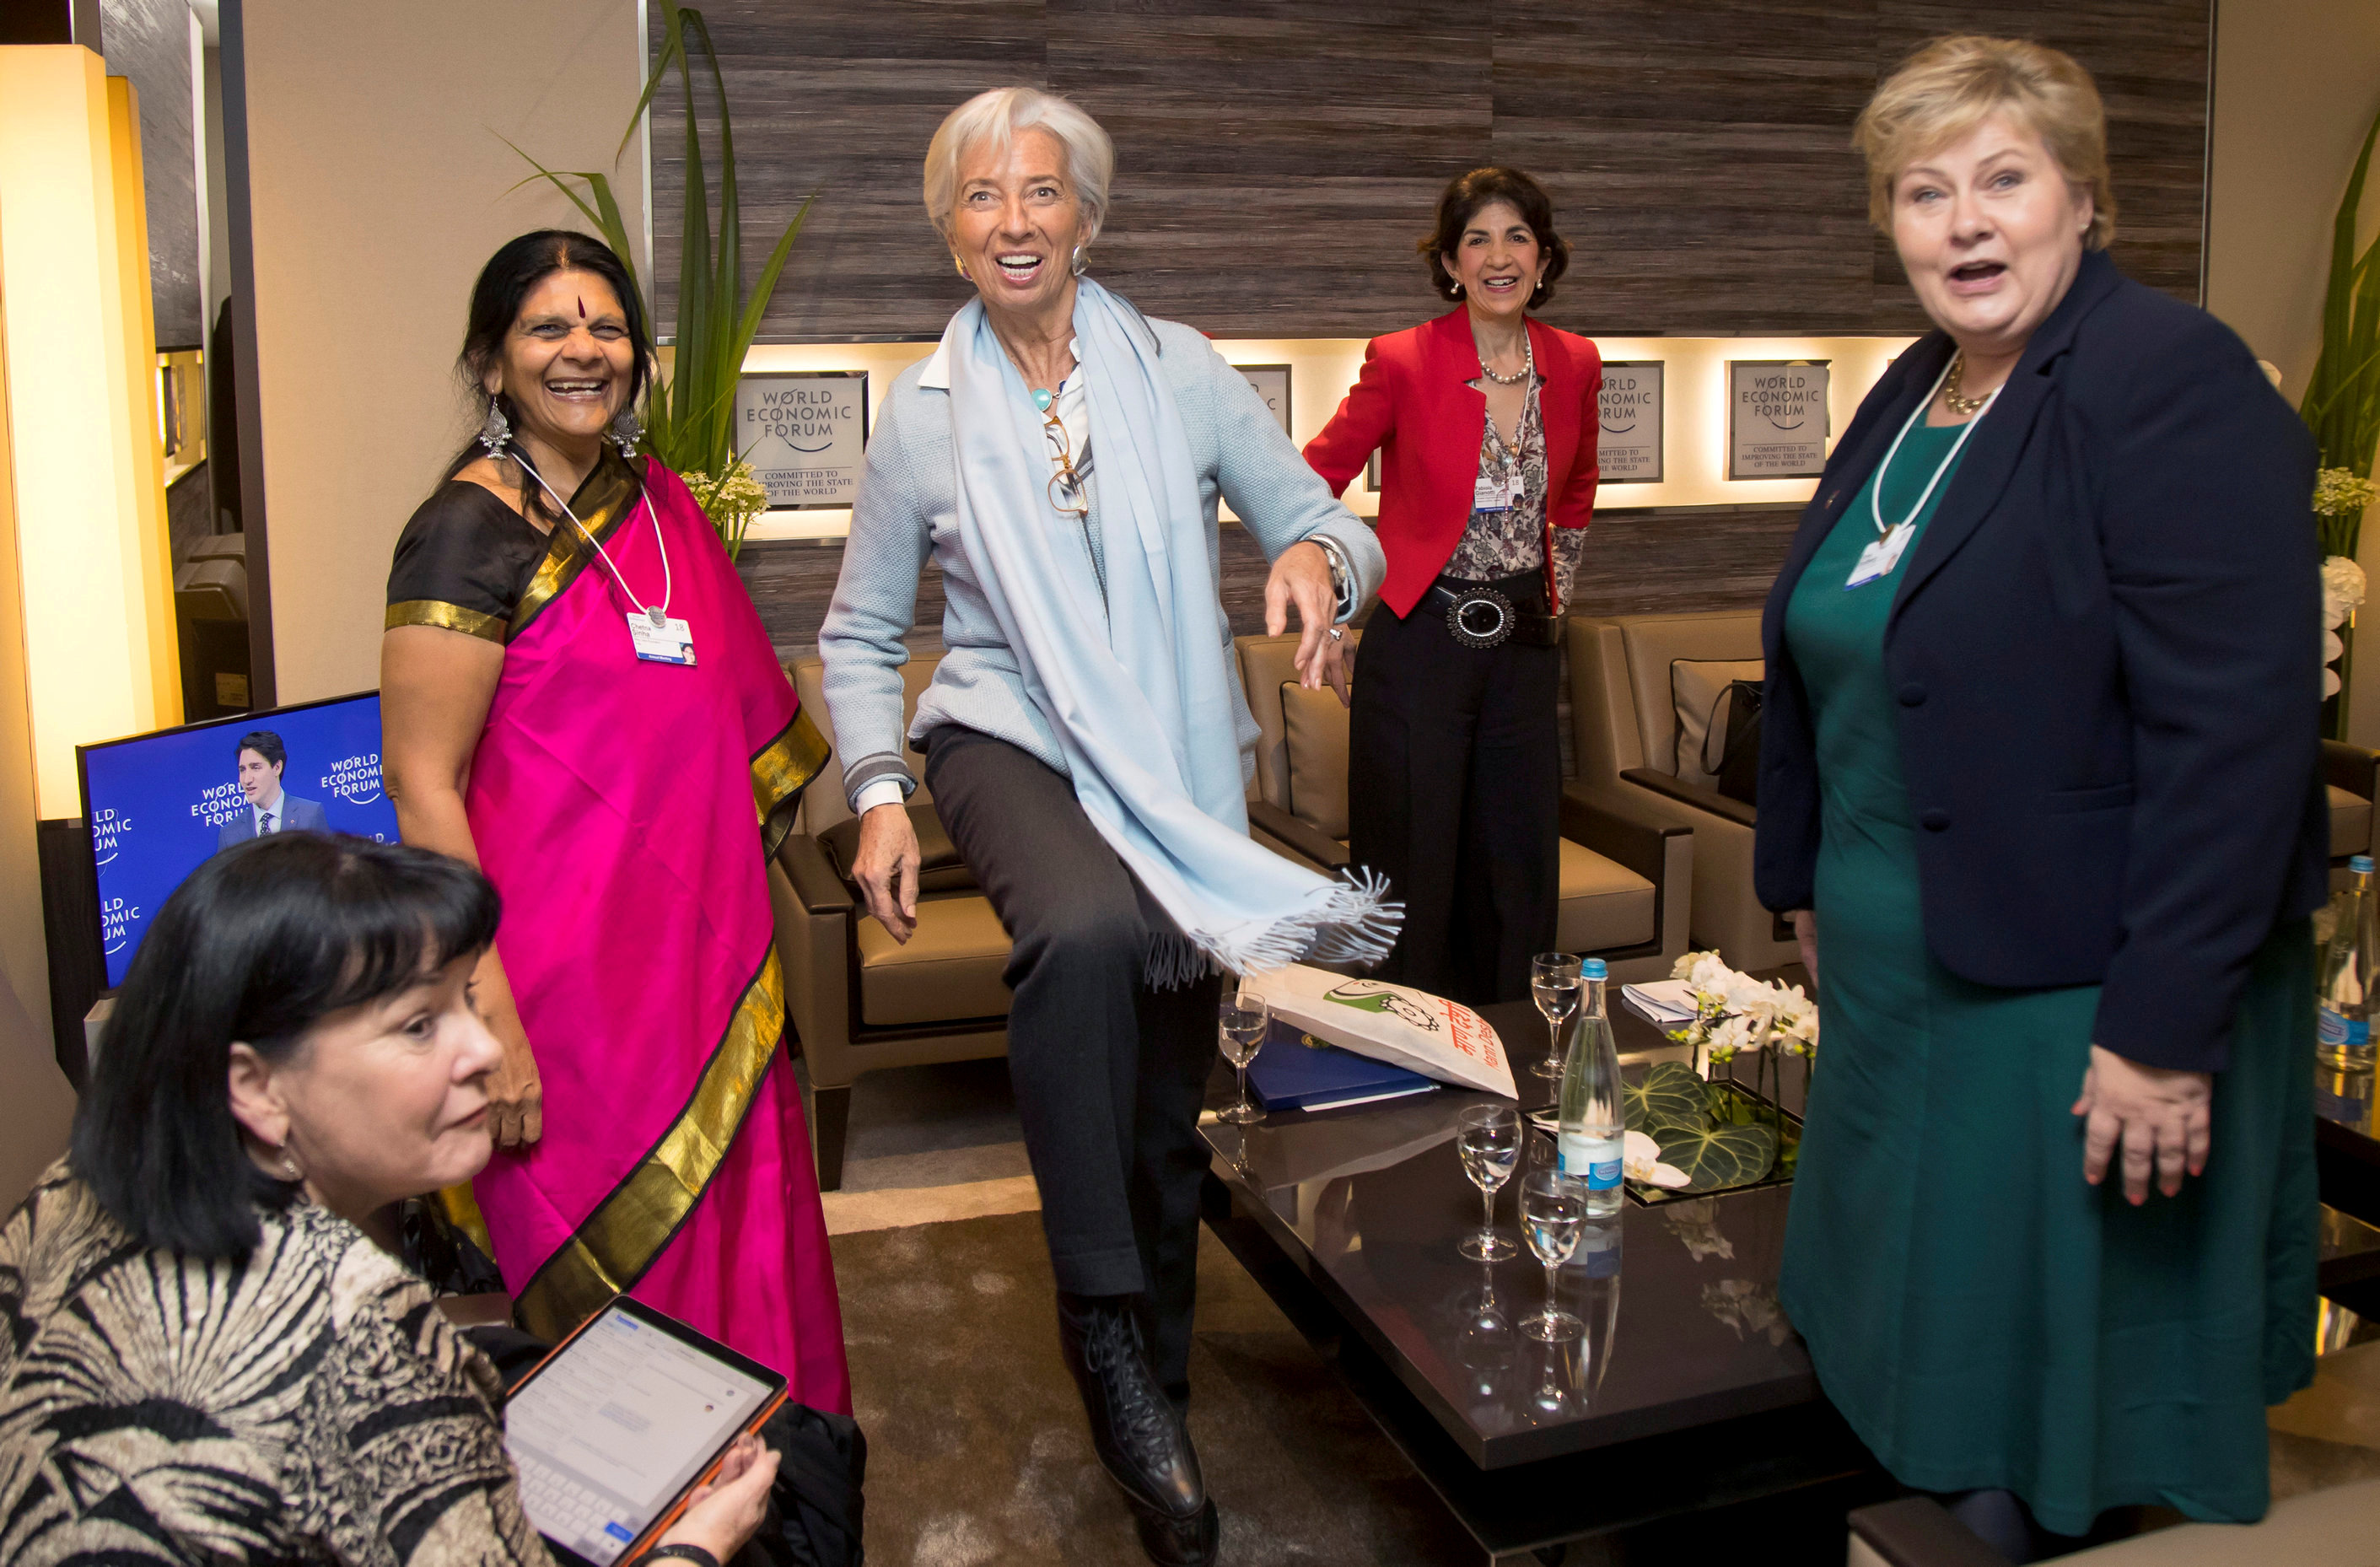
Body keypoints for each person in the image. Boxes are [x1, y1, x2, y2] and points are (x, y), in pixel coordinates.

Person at [1752, 36, 2326, 1557]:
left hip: (2076, 994)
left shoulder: (2166, 377)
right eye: (1924, 192)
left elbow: (2239, 739)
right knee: (1918, 1342)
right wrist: (1801, 875)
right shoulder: (1914, 389)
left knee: (2038, 1395)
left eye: (2003, 180)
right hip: (1900, 975)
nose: (1964, 222)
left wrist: (2156, 1032)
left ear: (2085, 198)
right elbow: (1839, 659)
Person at [818, 87, 1390, 1567]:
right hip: (1005, 734)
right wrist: (878, 792)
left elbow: (1333, 519)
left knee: (1161, 1083)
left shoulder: (1182, 372)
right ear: (949, 232)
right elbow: (863, 633)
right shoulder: (925, 422)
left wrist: (1322, 567)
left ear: (1088, 213)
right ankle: (1099, 1317)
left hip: (1173, 757)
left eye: (1040, 192)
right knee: (1083, 931)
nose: (1013, 221)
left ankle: (1161, 1392)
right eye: (981, 198)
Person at [0, 833, 782, 1567]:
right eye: (417, 1026)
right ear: (255, 1086)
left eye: (467, 1003)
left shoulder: (66, 1190)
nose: (482, 1050)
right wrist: (698, 1546)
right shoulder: (364, 1326)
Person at [380, 230, 847, 1409]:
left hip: (699, 964)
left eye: (606, 327)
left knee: (739, 1241)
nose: (583, 350)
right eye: (548, 328)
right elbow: (421, 782)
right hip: (556, 989)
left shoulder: (660, 505)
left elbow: (737, 732)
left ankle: (760, 1497)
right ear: (492, 364)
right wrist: (488, 1009)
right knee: (611, 1296)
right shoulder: (461, 534)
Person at [1303, 167, 1602, 1007]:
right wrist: (1328, 611)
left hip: (1521, 647)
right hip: (1418, 645)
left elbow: (1574, 489)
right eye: (1476, 238)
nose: (1497, 256)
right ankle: (1404, 1049)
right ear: (1448, 261)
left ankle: (1510, 1046)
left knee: (1516, 859)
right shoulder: (1400, 359)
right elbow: (1306, 482)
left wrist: (1556, 596)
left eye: (1517, 237)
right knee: (1411, 857)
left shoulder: (1574, 362)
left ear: (1542, 258)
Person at [218, 728, 329, 846]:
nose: (247, 780)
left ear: (277, 768)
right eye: (242, 770)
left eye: (255, 767)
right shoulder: (229, 835)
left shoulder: (309, 815)